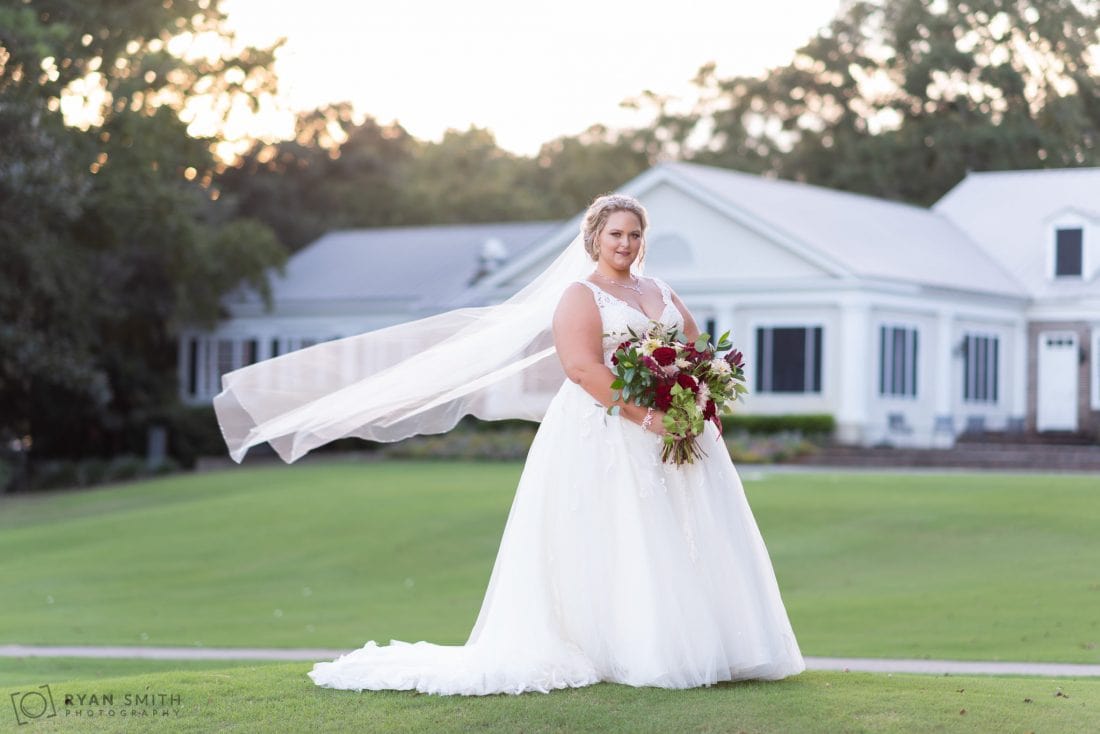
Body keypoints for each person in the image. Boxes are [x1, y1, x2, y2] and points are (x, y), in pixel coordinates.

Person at [304, 194, 805, 695]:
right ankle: (631, 647)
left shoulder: (662, 289)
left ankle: (712, 643)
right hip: (607, 429)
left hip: (675, 426)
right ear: (595, 239)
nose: (626, 243)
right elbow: (583, 368)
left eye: (634, 234)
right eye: (616, 234)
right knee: (622, 529)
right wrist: (648, 415)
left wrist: (695, 394)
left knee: (686, 528)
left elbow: (694, 345)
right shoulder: (580, 295)